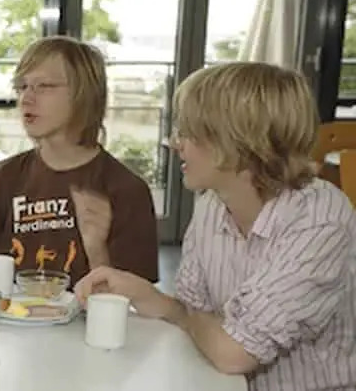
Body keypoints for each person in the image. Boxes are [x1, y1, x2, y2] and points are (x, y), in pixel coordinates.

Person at [74, 62, 356, 391]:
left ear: (239, 142)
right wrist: (144, 293)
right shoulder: (212, 204)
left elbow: (234, 353)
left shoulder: (320, 219)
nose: (174, 143)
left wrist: (182, 315)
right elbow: (195, 313)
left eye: (190, 133)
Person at [0, 36, 159, 285]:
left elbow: (135, 301)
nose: (27, 98)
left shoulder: (127, 191)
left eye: (44, 86)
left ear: (84, 94)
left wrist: (97, 250)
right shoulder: (1, 179)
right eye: (22, 87)